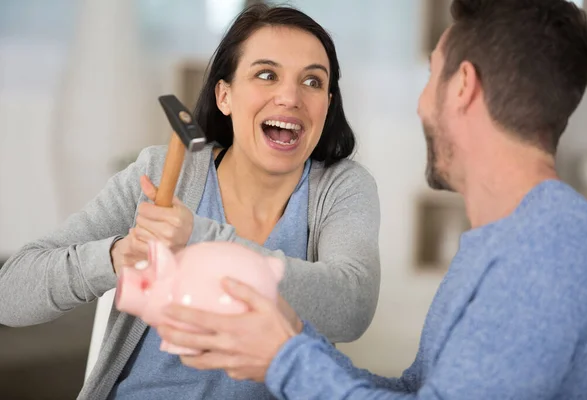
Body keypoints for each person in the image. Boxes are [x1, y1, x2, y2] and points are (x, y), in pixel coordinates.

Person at [155, 0, 587, 399]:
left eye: (431, 75)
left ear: (463, 86)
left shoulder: (543, 255)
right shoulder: (518, 240)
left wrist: (284, 357)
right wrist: (291, 337)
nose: (422, 103)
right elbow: (418, 391)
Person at [0, 4, 381, 400]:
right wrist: (115, 257)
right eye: (266, 75)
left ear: (327, 103)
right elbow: (9, 295)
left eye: (312, 82)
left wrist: (200, 240)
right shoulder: (162, 172)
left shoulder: (341, 188)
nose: (290, 96)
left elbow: (350, 306)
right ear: (224, 95)